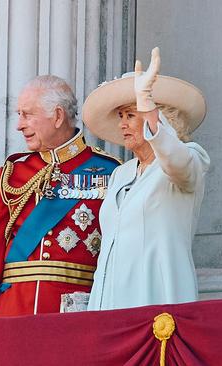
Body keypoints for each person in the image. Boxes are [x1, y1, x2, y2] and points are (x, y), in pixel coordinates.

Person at [0, 76, 121, 319]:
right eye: (19, 114)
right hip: (13, 312)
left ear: (58, 116)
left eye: (27, 115)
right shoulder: (14, 172)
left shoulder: (110, 171)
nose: (19, 125)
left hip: (76, 313)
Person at [83, 48, 210, 310]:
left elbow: (177, 161)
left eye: (131, 115)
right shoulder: (121, 173)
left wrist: (147, 107)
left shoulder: (190, 160)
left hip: (156, 302)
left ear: (161, 116)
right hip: (109, 307)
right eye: (121, 116)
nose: (122, 124)